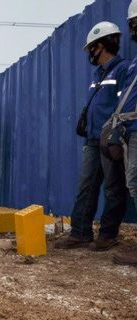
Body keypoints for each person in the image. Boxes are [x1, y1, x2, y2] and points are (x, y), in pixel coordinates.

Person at [55, 22, 129, 251]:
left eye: (91, 49)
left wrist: (116, 135)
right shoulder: (97, 74)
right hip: (93, 140)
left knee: (113, 187)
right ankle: (80, 233)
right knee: (86, 186)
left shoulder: (123, 69)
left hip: (112, 139)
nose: (90, 54)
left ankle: (107, 235)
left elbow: (124, 105)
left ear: (102, 45)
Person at [111, 0, 137, 265]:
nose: (132, 32)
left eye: (134, 25)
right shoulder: (134, 63)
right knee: (133, 182)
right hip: (131, 129)